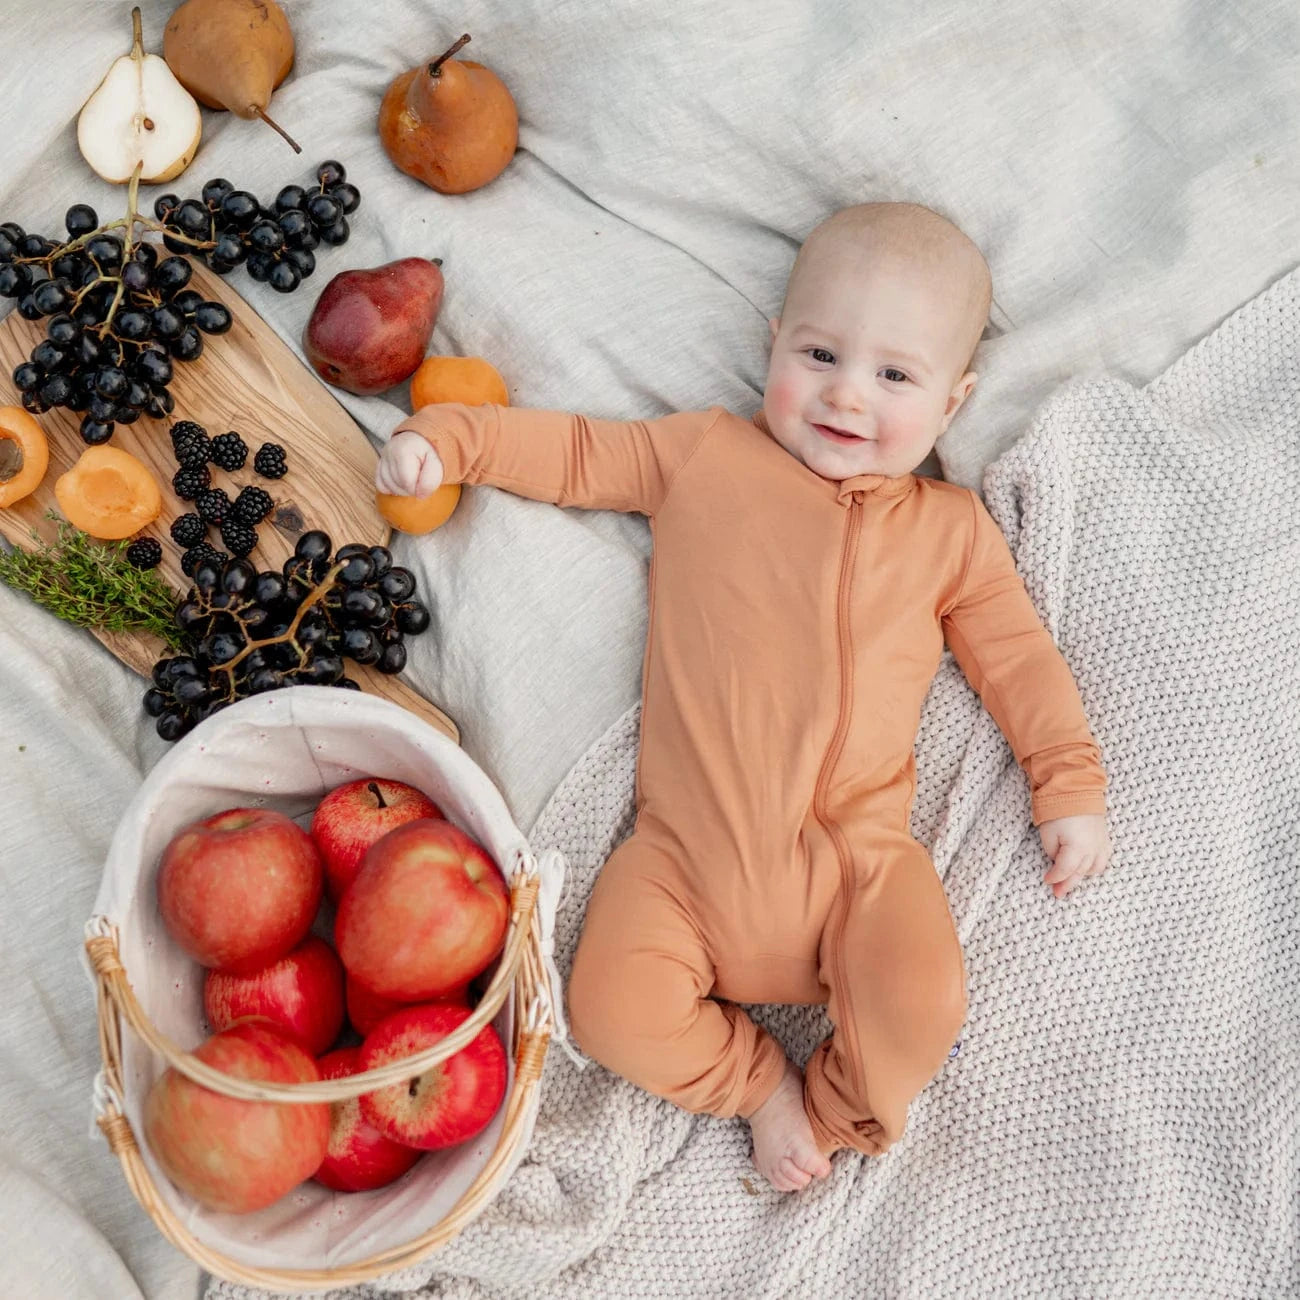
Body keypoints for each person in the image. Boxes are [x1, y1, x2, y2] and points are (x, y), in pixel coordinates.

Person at [374, 202, 1113, 1193]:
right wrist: (451, 441)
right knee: (607, 1005)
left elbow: (1017, 660)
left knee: (925, 994)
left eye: (894, 375)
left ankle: (842, 1110)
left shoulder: (951, 532)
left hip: (860, 873)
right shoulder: (703, 458)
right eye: (819, 355)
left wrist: (1066, 782)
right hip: (682, 864)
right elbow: (579, 455)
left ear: (953, 401)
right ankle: (760, 1085)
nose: (848, 395)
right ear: (774, 345)